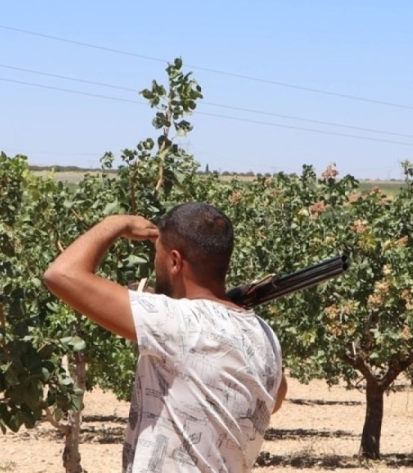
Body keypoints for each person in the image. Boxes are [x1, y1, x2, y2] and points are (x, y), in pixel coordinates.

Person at [43, 202, 287, 473]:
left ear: (174, 261)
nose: (154, 264)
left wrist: (115, 223)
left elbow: (61, 274)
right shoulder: (266, 336)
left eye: (156, 256)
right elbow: (271, 401)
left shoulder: (175, 320)